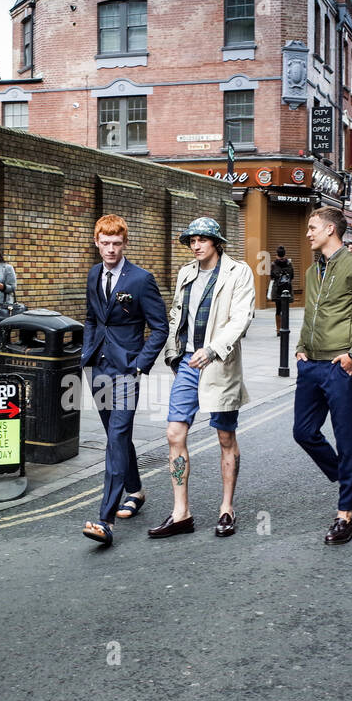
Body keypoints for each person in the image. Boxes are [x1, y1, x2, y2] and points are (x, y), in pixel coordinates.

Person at [153, 217, 255, 539]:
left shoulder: (239, 272)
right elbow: (176, 316)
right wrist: (173, 353)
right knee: (174, 433)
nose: (195, 245)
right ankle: (181, 513)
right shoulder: (187, 273)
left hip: (219, 364)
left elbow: (241, 319)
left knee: (225, 438)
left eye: (202, 240)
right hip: (187, 363)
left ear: (216, 242)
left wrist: (212, 350)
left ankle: (226, 508)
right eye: (191, 240)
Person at [293, 207, 352, 545]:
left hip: (339, 367)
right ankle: (348, 477)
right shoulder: (311, 271)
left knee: (345, 436)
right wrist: (301, 348)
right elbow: (310, 314)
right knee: (302, 432)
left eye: (313, 227)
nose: (308, 233)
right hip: (311, 366)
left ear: (331, 230)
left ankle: (345, 515)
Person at [80, 214, 169, 546]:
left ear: (124, 244)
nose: (111, 250)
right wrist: (87, 353)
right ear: (97, 242)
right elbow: (91, 317)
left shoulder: (141, 280)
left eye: (117, 244)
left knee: (116, 438)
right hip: (98, 368)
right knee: (116, 436)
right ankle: (135, 490)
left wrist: (141, 365)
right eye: (105, 243)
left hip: (126, 371)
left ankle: (104, 520)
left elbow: (159, 327)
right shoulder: (93, 274)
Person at [269, 245, 295, 335]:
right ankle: (285, 327)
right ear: (284, 254)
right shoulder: (289, 263)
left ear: (277, 254)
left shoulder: (273, 264)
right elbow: (292, 276)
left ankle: (278, 329)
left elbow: (272, 276)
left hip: (277, 289)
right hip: (287, 289)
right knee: (285, 309)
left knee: (278, 309)